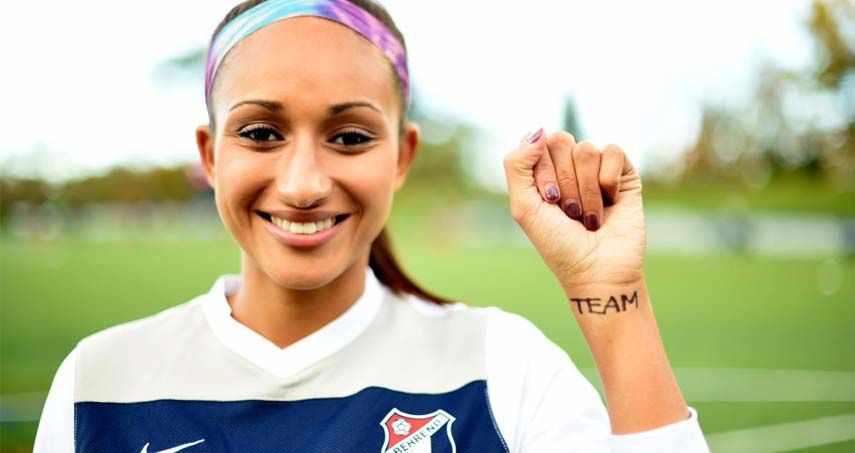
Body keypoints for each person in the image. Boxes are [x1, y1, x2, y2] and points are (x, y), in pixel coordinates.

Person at [34, 0, 710, 451]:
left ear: (401, 155)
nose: (301, 184)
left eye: (350, 136)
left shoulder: (502, 369)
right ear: (211, 155)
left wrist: (614, 299)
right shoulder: (100, 382)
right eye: (262, 132)